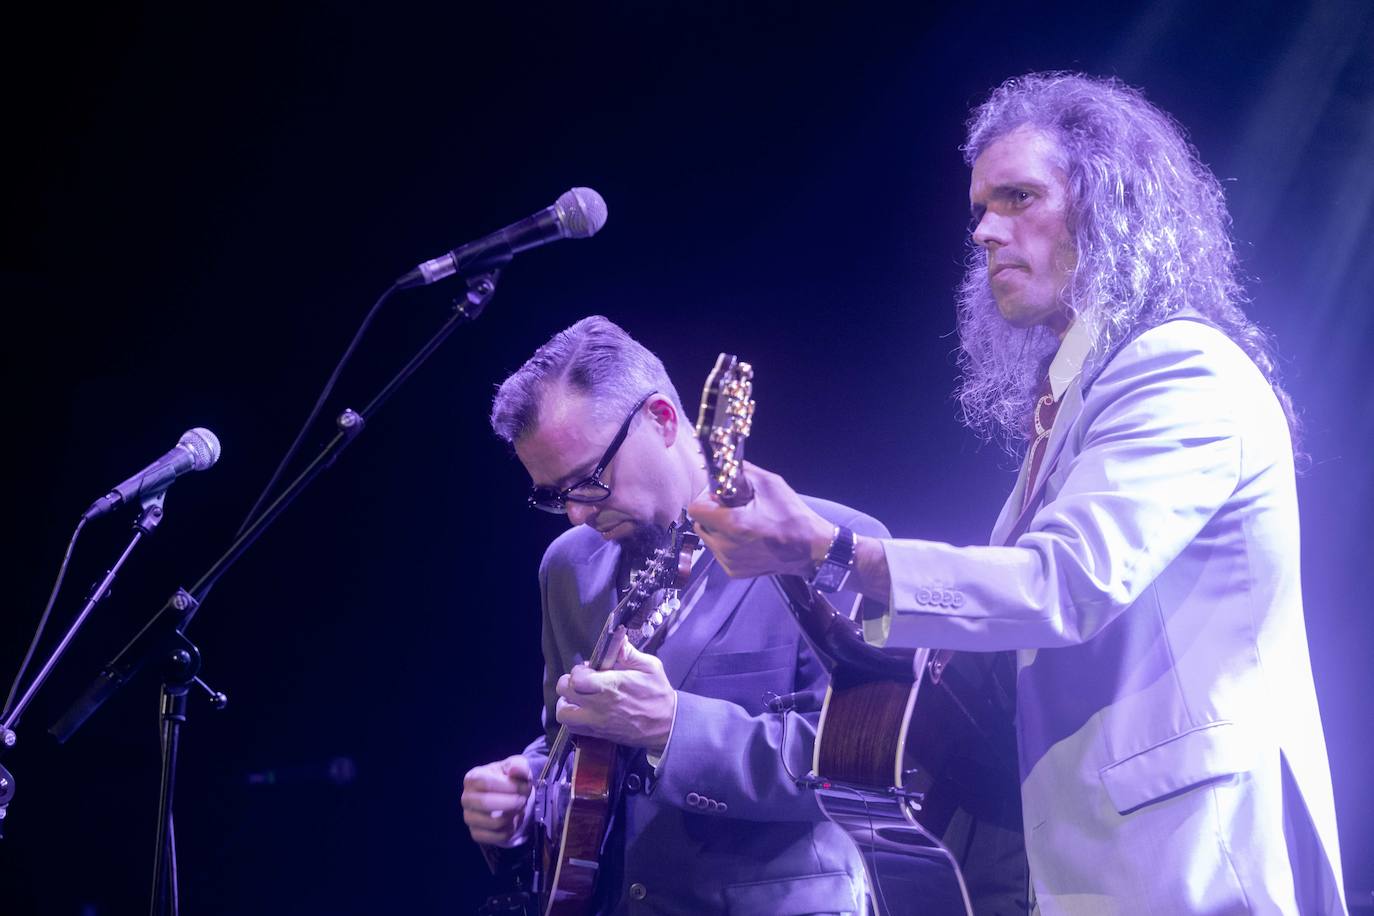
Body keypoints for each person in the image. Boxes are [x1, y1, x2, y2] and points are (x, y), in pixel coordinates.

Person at [689, 72, 1347, 914]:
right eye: (979, 210)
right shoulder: (1077, 395)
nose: (987, 231)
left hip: (1191, 854)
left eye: (1019, 197)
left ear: (1113, 207)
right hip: (1100, 854)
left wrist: (837, 550)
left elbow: (1065, 583)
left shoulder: (1181, 367)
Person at [461, 316, 891, 914]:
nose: (576, 516)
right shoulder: (567, 566)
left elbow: (864, 770)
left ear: (662, 420)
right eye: (553, 495)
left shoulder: (835, 549)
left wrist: (674, 729)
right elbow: (573, 735)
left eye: (587, 481)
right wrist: (525, 788)